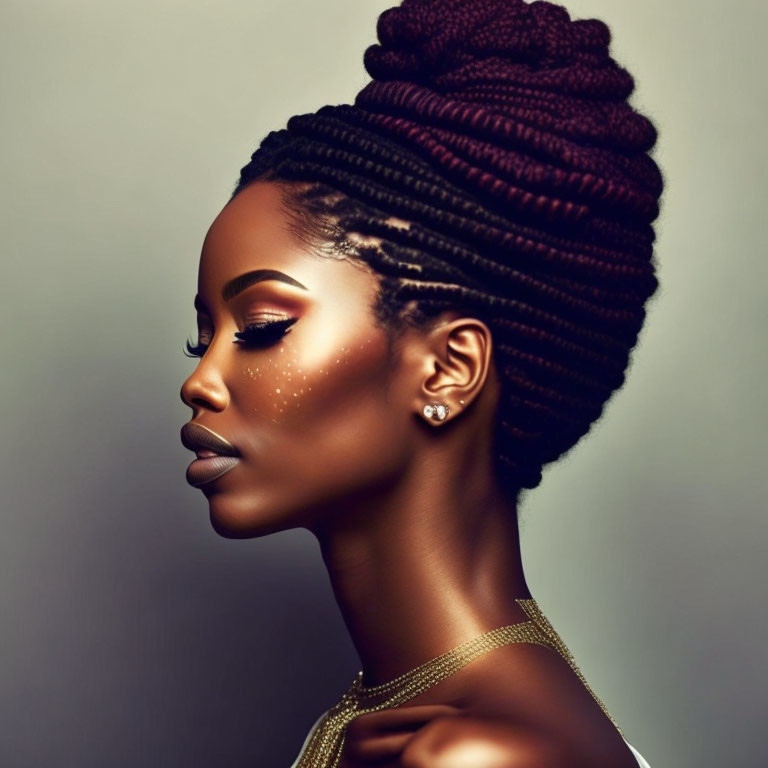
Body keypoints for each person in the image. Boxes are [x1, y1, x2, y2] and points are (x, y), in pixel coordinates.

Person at [179, 0, 663, 765]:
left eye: (264, 328)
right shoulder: (392, 715)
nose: (200, 382)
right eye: (200, 338)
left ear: (449, 367)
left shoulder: (474, 755)